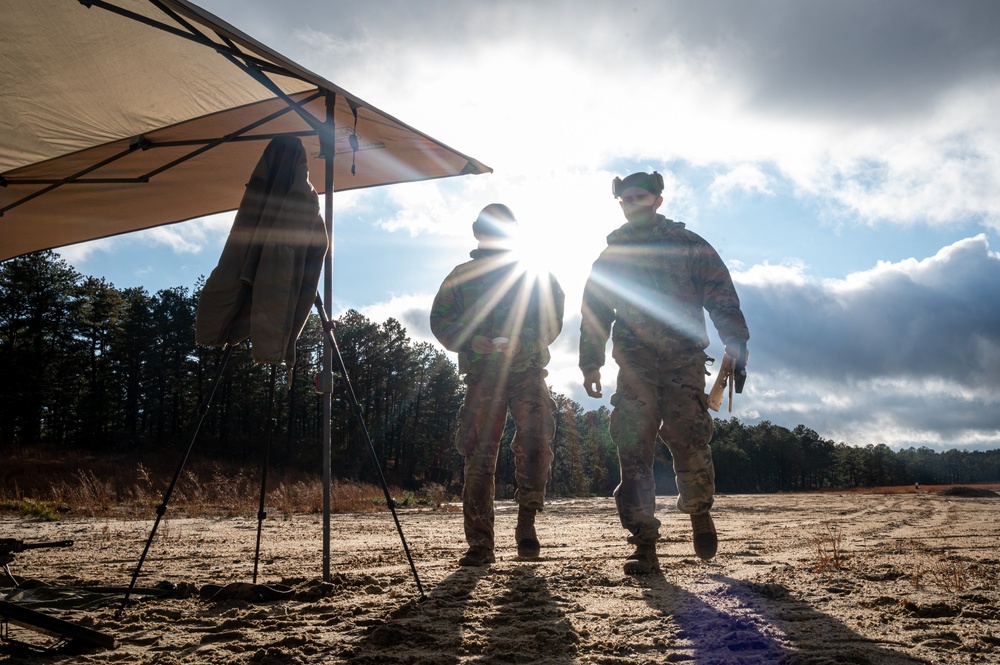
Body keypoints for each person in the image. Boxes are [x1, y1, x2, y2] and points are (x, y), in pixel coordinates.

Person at [579, 171, 750, 574]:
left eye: (641, 197)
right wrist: (591, 361)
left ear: (658, 200)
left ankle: (698, 513)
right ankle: (644, 544)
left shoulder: (688, 246)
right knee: (632, 450)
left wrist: (736, 342)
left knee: (690, 440)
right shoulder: (613, 256)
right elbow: (595, 312)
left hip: (682, 361)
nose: (633, 203)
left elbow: (721, 294)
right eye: (626, 198)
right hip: (635, 364)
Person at [431, 204, 565, 566]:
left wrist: (524, 341)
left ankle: (527, 525)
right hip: (482, 379)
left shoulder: (534, 272)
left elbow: (553, 317)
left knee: (536, 443)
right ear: (477, 232)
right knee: (478, 459)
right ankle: (480, 544)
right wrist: (469, 339)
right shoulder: (461, 276)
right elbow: (440, 321)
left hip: (527, 373)